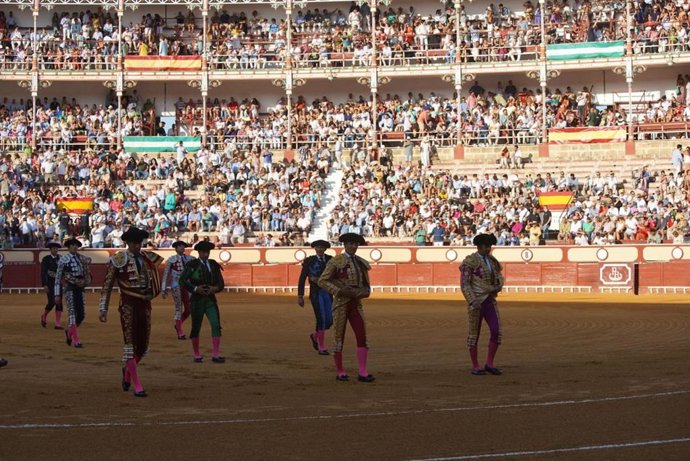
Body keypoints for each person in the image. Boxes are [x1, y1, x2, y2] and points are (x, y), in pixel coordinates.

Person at [98, 227, 164, 398]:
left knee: (143, 346)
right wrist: (103, 308)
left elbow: (156, 279)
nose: (137, 246)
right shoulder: (118, 259)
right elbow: (107, 285)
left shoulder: (147, 258)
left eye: (139, 243)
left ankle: (127, 370)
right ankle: (137, 385)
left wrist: (153, 292)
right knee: (129, 343)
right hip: (128, 304)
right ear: (127, 243)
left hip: (145, 304)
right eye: (134, 243)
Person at [318, 233, 375, 383]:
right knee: (338, 338)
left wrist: (361, 293)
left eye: (356, 244)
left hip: (356, 304)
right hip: (340, 304)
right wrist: (340, 291)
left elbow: (367, 287)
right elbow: (322, 281)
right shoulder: (336, 261)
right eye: (350, 243)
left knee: (362, 337)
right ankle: (340, 371)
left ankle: (363, 372)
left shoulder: (362, 262)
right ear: (344, 245)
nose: (353, 246)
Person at [459, 233, 505, 376]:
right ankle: (475, 366)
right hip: (476, 302)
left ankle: (489, 363)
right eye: (487, 246)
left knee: (496, 332)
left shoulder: (492, 261)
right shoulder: (470, 262)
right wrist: (472, 301)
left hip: (489, 300)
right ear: (479, 246)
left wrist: (498, 286)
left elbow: (497, 277)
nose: (489, 249)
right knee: (474, 335)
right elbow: (465, 284)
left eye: (490, 246)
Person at [178, 241, 226, 363]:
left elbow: (221, 284)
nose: (206, 254)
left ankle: (215, 354)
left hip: (210, 299)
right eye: (204, 252)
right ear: (199, 252)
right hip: (197, 300)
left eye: (207, 252)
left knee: (216, 325)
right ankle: (197, 354)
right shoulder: (192, 264)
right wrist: (195, 289)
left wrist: (214, 289)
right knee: (196, 327)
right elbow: (182, 281)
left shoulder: (213, 264)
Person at [297, 240, 334, 355]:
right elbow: (302, 278)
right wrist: (300, 295)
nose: (320, 249)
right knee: (321, 318)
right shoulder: (309, 261)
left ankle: (315, 336)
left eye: (322, 247)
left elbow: (336, 275)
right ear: (315, 249)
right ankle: (322, 347)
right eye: (318, 247)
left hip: (328, 292)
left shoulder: (330, 260)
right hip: (316, 293)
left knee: (330, 320)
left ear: (325, 249)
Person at [55, 237, 92, 348]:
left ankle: (69, 331)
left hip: (79, 287)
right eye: (73, 245)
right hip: (69, 287)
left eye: (76, 245)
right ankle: (76, 340)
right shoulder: (63, 259)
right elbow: (58, 277)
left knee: (81, 315)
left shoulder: (81, 258)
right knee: (72, 313)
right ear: (68, 247)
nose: (75, 247)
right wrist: (57, 294)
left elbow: (89, 261)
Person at [162, 240, 194, 340]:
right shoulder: (171, 259)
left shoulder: (190, 259)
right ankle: (180, 331)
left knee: (188, 310)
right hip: (176, 285)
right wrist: (163, 288)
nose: (182, 248)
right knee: (178, 308)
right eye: (180, 246)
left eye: (183, 246)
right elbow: (166, 274)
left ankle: (178, 325)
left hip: (187, 285)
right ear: (175, 249)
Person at [40, 241, 64, 329]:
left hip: (58, 283)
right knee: (51, 302)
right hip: (50, 283)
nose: (55, 250)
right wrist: (44, 284)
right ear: (50, 250)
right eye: (54, 249)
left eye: (56, 249)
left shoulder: (61, 258)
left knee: (59, 302)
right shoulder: (46, 259)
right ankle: (44, 316)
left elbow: (64, 270)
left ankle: (57, 323)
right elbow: (43, 273)